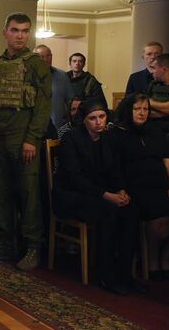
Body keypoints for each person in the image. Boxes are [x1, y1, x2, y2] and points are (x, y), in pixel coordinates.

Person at [0, 12, 52, 271]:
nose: (20, 35)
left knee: (28, 194)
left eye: (25, 31)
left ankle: (33, 247)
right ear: (5, 32)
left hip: (23, 139)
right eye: (15, 30)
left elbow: (43, 106)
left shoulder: (35, 64)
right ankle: (5, 241)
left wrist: (32, 139)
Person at [53, 100, 139, 295]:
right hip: (71, 195)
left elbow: (116, 170)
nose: (98, 122)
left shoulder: (109, 138)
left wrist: (121, 190)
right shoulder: (70, 139)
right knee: (108, 212)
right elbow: (75, 179)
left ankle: (125, 273)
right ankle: (105, 275)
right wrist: (108, 195)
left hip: (100, 192)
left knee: (132, 210)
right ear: (83, 120)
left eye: (102, 117)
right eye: (92, 118)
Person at [111, 93, 169, 281]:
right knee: (162, 223)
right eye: (137, 109)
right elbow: (114, 167)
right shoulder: (117, 133)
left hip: (162, 187)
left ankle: (166, 257)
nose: (142, 113)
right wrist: (120, 189)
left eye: (145, 109)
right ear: (129, 110)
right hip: (136, 189)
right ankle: (152, 262)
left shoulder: (155, 131)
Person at [34, 44, 74, 130]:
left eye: (48, 56)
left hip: (59, 126)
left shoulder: (62, 75)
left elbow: (70, 101)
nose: (46, 59)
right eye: (42, 56)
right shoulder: (29, 76)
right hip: (35, 128)